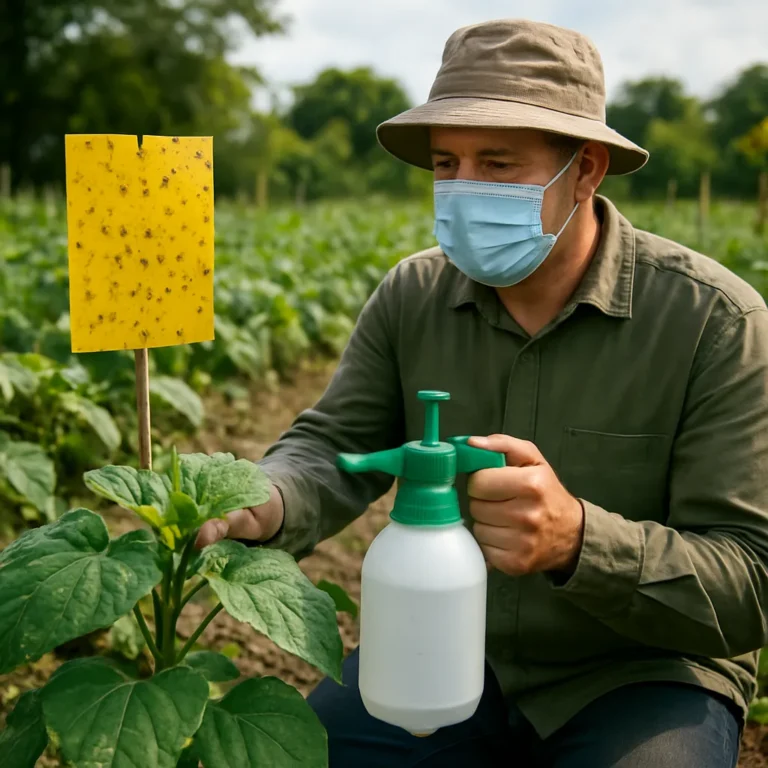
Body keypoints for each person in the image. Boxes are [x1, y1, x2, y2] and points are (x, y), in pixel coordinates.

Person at [195, 18, 768, 768]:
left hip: (641, 671)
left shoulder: (712, 324)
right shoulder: (413, 294)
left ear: (586, 170)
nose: (464, 192)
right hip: (444, 637)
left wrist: (580, 541)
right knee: (307, 755)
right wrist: (265, 496)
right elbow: (335, 446)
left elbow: (750, 577)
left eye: (498, 165)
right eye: (446, 165)